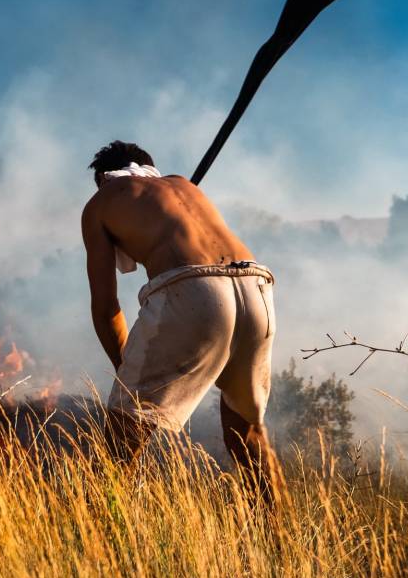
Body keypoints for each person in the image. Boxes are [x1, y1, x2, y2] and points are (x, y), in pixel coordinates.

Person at [81, 140, 280, 499]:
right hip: (256, 287)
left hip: (195, 289)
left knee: (122, 434)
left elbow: (106, 306)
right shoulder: (183, 185)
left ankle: (99, 539)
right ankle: (277, 540)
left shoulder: (100, 203)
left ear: (103, 178)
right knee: (246, 432)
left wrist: (126, 373)